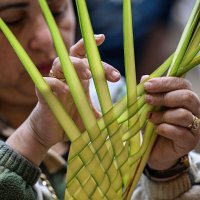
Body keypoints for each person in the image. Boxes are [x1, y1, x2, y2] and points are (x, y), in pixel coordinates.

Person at [0, 0, 200, 199]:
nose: (46, 38)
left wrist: (165, 171)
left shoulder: (116, 101)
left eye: (57, 12)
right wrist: (33, 138)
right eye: (13, 20)